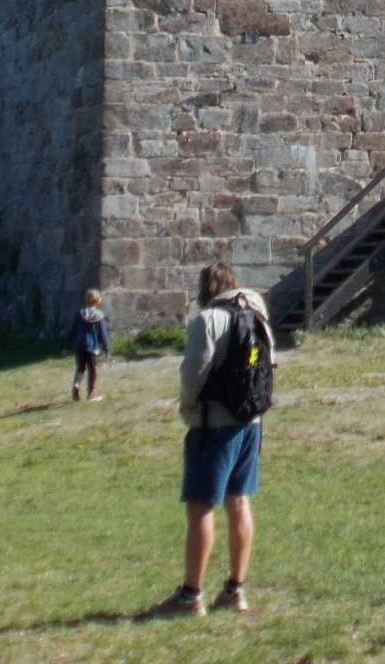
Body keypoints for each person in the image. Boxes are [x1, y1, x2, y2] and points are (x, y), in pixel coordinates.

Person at [149, 262, 275, 617]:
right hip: (251, 421)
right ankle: (236, 589)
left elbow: (193, 375)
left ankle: (191, 595)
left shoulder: (209, 321)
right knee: (239, 503)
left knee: (202, 507)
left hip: (213, 423)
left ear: (205, 290)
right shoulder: (259, 315)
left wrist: (186, 409)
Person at [67, 288, 111, 401]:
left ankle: (76, 385)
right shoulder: (99, 316)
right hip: (92, 347)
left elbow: (72, 330)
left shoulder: (80, 314)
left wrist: (66, 346)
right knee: (92, 369)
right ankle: (91, 393)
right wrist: (106, 349)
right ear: (98, 301)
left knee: (80, 368)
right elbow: (103, 333)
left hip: (79, 345)